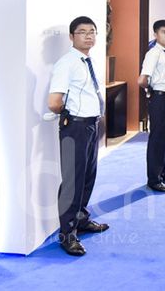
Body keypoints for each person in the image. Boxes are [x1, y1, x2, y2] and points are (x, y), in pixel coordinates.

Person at [47, 16, 109, 256]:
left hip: (91, 126)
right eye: (82, 32)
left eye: (92, 31)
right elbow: (54, 102)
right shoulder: (66, 63)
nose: (88, 36)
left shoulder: (87, 61)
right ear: (72, 36)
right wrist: (70, 116)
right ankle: (68, 235)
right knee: (72, 182)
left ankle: (81, 219)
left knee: (87, 177)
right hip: (75, 128)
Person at [138, 19, 165, 193]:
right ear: (155, 34)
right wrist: (151, 91)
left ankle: (162, 172)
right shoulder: (153, 53)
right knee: (157, 139)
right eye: (164, 32)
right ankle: (153, 180)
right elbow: (142, 80)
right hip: (159, 99)